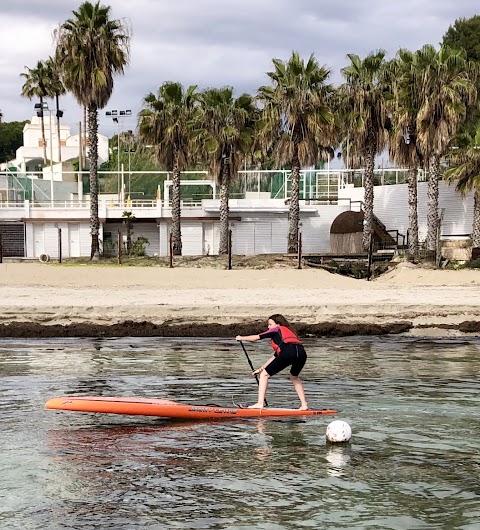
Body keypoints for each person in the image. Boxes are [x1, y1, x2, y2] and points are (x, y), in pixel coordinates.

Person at [236, 314, 308, 410]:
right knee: (294, 377)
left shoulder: (277, 329)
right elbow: (276, 356)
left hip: (289, 353)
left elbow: (256, 337)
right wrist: (261, 369)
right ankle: (304, 405)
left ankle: (260, 403)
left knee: (264, 376)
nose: (268, 327)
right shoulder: (288, 333)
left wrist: (241, 338)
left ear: (278, 324)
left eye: (270, 324)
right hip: (302, 353)